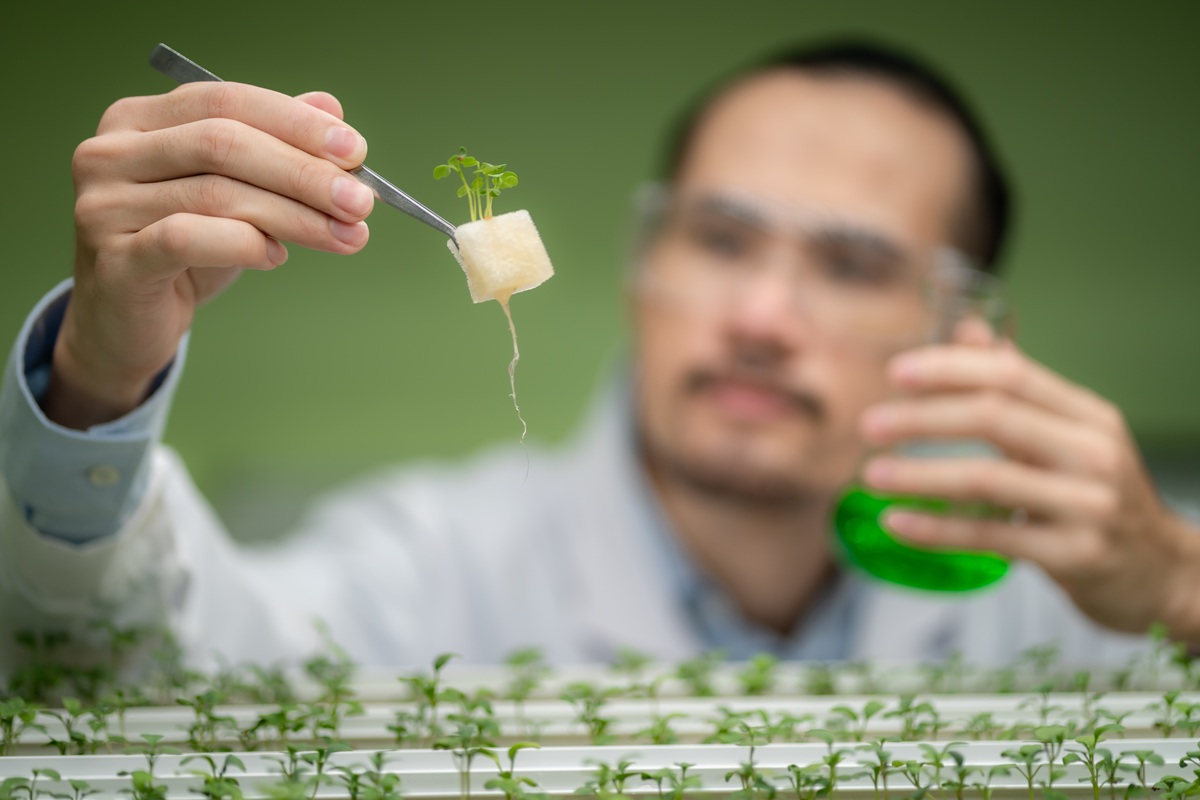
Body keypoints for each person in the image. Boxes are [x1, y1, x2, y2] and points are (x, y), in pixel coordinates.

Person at [1, 39, 1197, 674]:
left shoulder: (1092, 600)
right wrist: (101, 376)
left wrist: (1178, 585)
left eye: (849, 265)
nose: (763, 316)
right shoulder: (431, 570)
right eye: (723, 240)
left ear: (964, 333)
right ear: (644, 269)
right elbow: (121, 670)